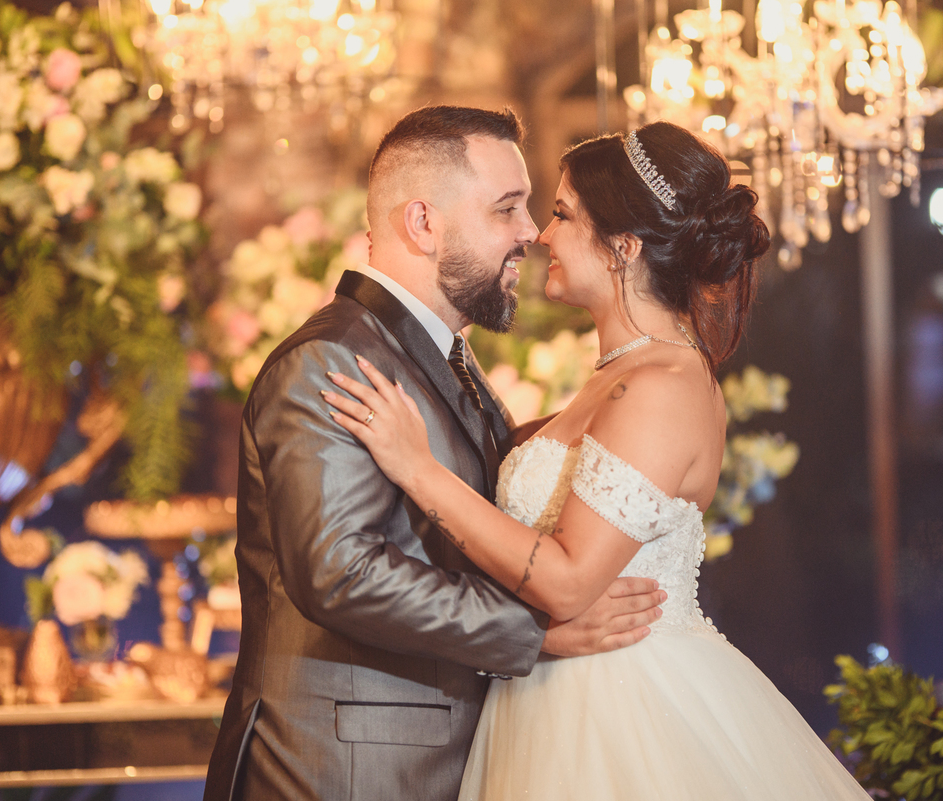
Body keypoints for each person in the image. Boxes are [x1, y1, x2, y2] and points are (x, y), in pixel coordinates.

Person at [324, 121, 873, 800]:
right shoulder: (618, 377)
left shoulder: (663, 386)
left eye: (561, 214)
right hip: (550, 697)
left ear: (624, 245)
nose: (540, 236)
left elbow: (567, 582)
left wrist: (419, 470)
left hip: (624, 708)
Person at [202, 106, 666, 801]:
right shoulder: (333, 360)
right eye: (506, 208)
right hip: (340, 770)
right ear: (423, 223)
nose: (530, 232)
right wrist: (535, 632)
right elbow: (340, 572)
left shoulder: (443, 359)